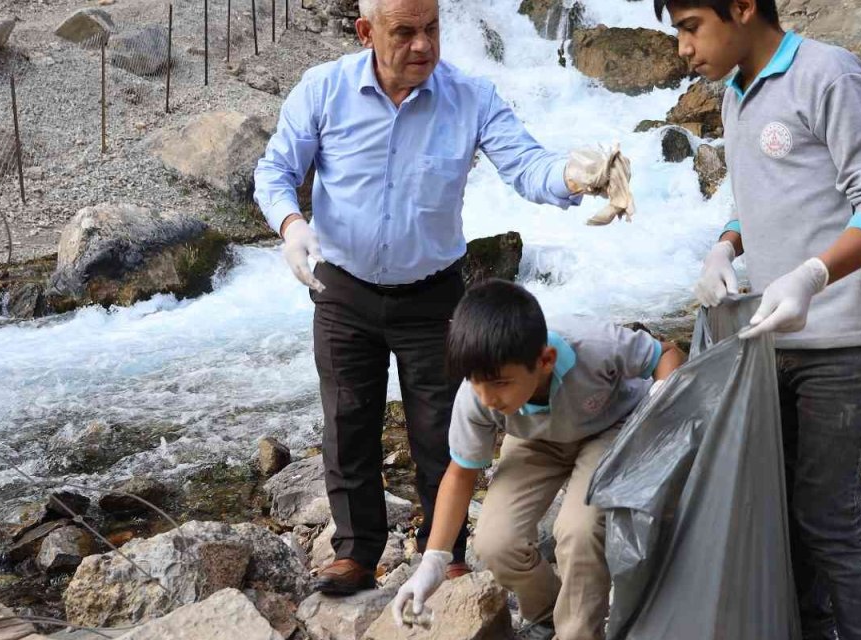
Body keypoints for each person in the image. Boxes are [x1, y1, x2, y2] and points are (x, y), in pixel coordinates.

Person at [253, 0, 630, 595]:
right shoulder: (322, 91)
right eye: (404, 32)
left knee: (439, 427)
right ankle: (355, 554)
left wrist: (579, 176)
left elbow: (528, 166)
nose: (424, 45)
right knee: (347, 420)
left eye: (432, 29)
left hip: (433, 293)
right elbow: (274, 171)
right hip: (342, 287)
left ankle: (445, 555)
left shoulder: (470, 96)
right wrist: (290, 225)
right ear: (366, 31)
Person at [657, 0, 861, 638]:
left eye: (690, 27)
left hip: (844, 343)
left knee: (830, 517)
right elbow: (761, 196)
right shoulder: (735, 92)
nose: (683, 48)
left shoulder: (831, 74)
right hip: (771, 341)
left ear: (742, 8)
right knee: (783, 509)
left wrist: (812, 275)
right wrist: (727, 244)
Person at [388, 280, 685, 640]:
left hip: (609, 427)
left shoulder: (595, 345)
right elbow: (461, 474)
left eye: (499, 383)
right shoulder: (479, 395)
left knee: (579, 530)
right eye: (476, 383)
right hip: (536, 439)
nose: (488, 398)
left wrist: (660, 400)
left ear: (545, 362)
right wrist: (434, 560)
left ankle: (578, 632)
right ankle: (549, 614)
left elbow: (666, 354)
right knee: (495, 542)